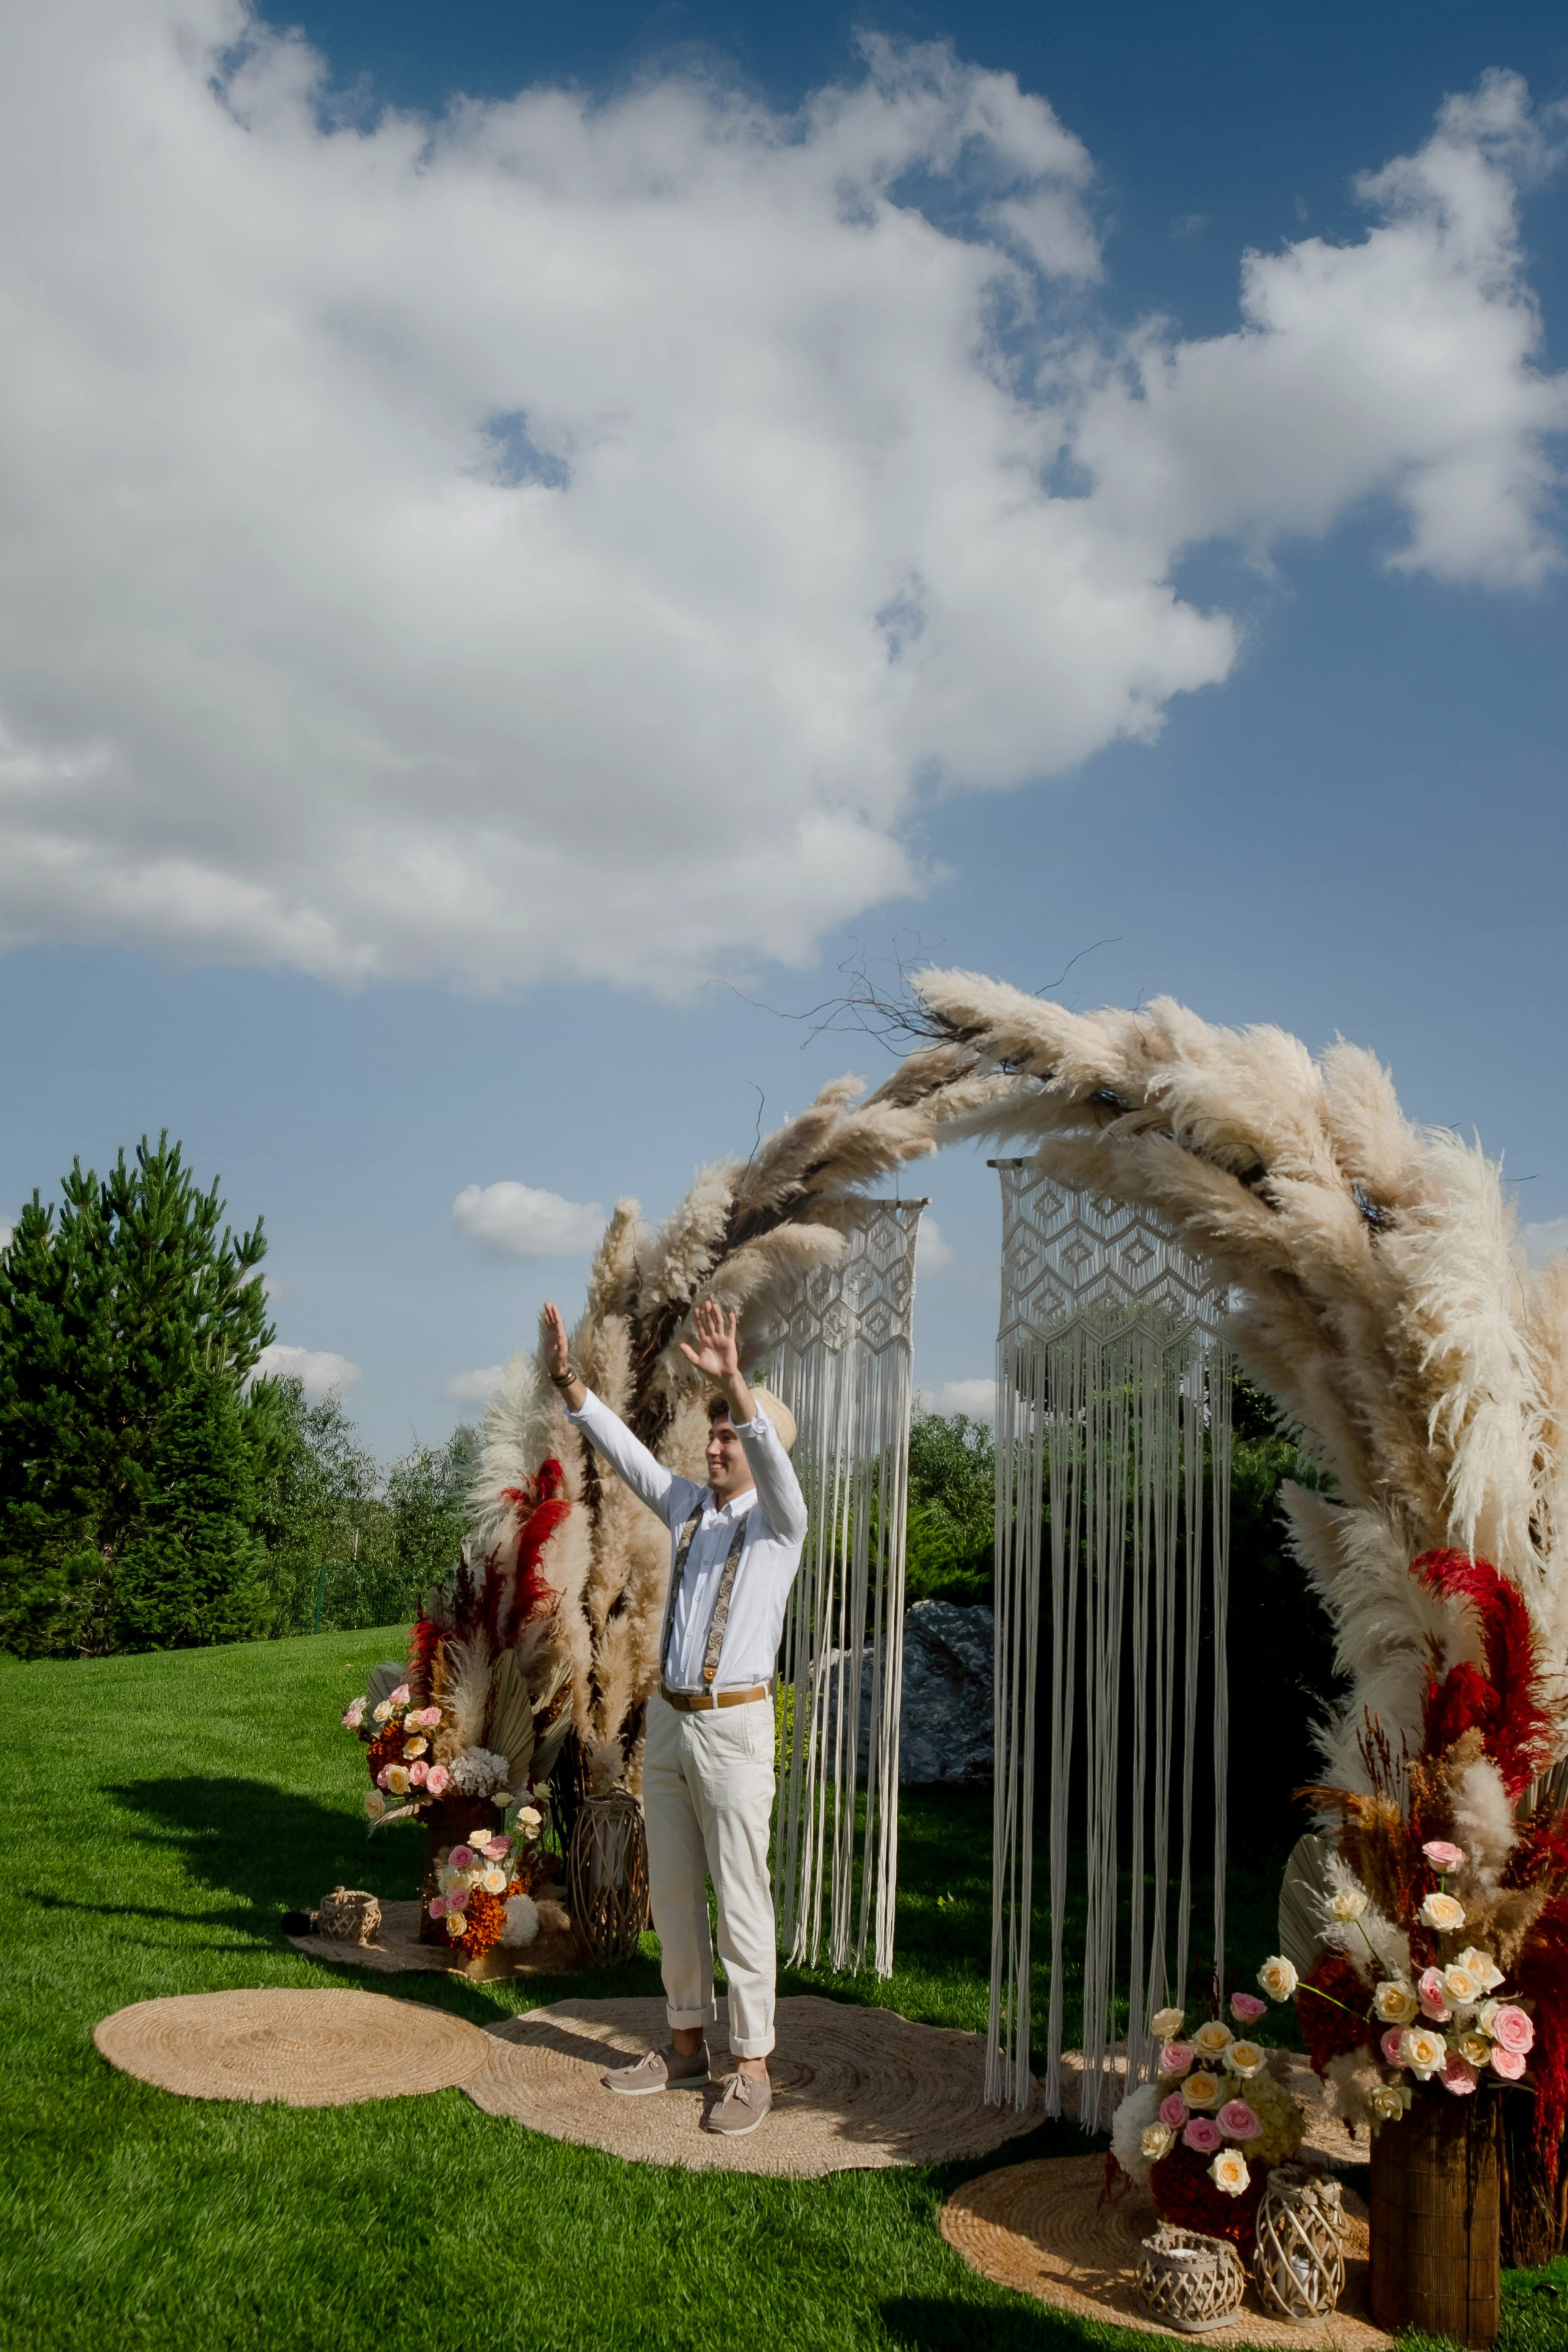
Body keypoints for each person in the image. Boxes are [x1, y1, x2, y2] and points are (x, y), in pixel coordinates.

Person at [540, 1295, 808, 2136]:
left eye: (733, 1431)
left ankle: (752, 2064)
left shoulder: (781, 1522)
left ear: (762, 1449)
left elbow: (771, 1458)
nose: (718, 1439)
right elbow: (624, 1456)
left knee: (741, 1897)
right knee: (678, 1896)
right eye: (718, 1429)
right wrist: (572, 1384)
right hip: (672, 1722)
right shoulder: (689, 1508)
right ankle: (685, 2042)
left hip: (735, 1729)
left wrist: (735, 1377)